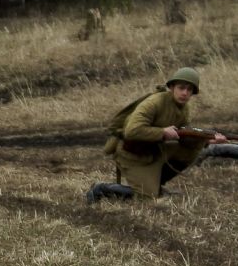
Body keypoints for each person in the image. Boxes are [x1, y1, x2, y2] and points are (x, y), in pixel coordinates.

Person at [85, 67, 230, 204]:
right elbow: (132, 130)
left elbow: (185, 140)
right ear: (172, 87)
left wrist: (207, 141)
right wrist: (162, 132)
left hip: (154, 152)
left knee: (190, 150)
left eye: (189, 89)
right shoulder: (154, 103)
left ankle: (155, 185)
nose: (185, 93)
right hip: (132, 155)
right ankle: (102, 188)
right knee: (147, 200)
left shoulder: (184, 109)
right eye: (181, 88)